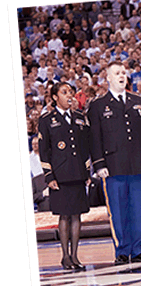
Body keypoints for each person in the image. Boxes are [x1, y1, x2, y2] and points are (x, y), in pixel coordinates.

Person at [87, 61, 141, 265]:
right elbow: (95, 138)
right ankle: (122, 251)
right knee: (117, 211)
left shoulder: (139, 101)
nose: (121, 75)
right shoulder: (98, 105)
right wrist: (99, 164)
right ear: (107, 78)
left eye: (123, 72)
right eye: (116, 73)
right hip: (112, 166)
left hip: (137, 164)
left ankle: (139, 249)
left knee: (139, 210)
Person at [38, 82, 90, 270]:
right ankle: (65, 256)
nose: (70, 95)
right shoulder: (46, 120)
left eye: (71, 92)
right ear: (54, 97)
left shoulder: (79, 117)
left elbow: (85, 146)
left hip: (77, 172)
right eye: (64, 92)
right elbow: (44, 150)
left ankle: (75, 256)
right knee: (64, 216)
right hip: (59, 175)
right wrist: (49, 175)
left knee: (77, 215)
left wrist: (86, 171)